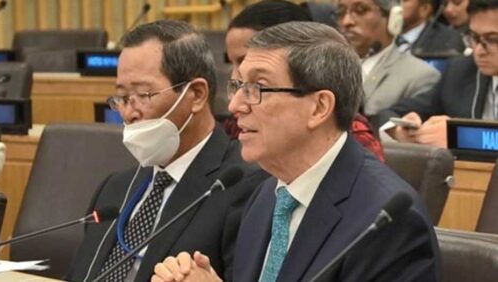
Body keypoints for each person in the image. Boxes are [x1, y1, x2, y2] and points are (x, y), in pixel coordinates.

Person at [151, 22, 440, 282]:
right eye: (237, 86)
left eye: (257, 88)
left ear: (319, 107)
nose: (235, 105)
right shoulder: (265, 197)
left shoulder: (385, 221)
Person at [66, 20, 268, 282]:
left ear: (195, 94)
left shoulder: (245, 187)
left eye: (143, 95)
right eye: (122, 98)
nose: (129, 112)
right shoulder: (114, 188)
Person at [223, 0, 385, 162]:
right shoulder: (238, 122)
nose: (234, 77)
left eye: (243, 60)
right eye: (232, 63)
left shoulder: (352, 143)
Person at [377, 0, 498, 148]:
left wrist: (458, 136)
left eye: (492, 39)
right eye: (474, 38)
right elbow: (389, 113)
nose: (478, 50)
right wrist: (400, 131)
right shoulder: (460, 71)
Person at [337, 0, 441, 116]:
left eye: (361, 10)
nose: (347, 22)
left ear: (393, 18)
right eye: (340, 12)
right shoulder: (325, 70)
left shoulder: (420, 77)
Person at [399, 0, 465, 55]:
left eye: (404, 0)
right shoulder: (390, 36)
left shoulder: (448, 41)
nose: (395, 5)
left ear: (425, 9)